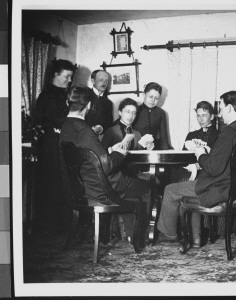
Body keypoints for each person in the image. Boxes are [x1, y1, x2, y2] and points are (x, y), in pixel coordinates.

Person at [156, 91, 236, 247]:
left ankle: (169, 234)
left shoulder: (229, 132)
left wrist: (200, 154)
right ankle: (195, 238)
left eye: (221, 108)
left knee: (170, 190)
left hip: (219, 187)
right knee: (187, 188)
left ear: (229, 108)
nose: (220, 114)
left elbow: (213, 168)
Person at [59, 85, 151, 244]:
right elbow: (107, 167)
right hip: (102, 189)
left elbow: (90, 155)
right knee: (149, 188)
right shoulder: (85, 130)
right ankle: (141, 239)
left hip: (80, 188)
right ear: (88, 105)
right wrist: (120, 152)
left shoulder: (66, 127)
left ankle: (128, 232)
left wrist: (109, 149)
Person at [34, 59, 75, 233]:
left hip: (60, 146)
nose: (69, 80)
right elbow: (47, 121)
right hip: (50, 148)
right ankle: (49, 228)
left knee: (61, 185)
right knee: (51, 186)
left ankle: (59, 227)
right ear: (55, 75)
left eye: (71, 77)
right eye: (67, 76)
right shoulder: (47, 96)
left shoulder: (63, 95)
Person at [169, 101, 219, 183]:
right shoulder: (191, 135)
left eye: (204, 115)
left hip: (206, 173)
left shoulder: (218, 135)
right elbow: (183, 157)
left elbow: (215, 161)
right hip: (188, 170)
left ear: (212, 117)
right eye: (198, 116)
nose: (201, 119)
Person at [133, 82, 170, 150]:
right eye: (150, 97)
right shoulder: (135, 110)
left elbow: (164, 139)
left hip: (154, 149)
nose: (153, 100)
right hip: (136, 149)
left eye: (157, 98)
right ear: (144, 95)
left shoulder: (161, 113)